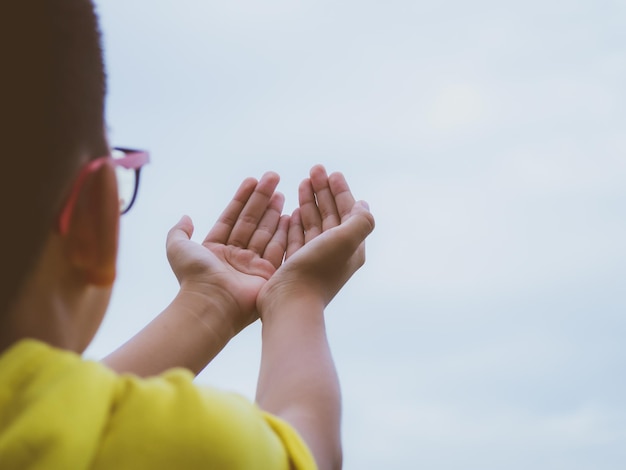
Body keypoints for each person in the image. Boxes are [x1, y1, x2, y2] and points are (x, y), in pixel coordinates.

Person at [0, 2, 375, 470]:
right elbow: (309, 452)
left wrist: (209, 302)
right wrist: (298, 298)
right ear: (94, 219)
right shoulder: (184, 445)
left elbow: (59, 419)